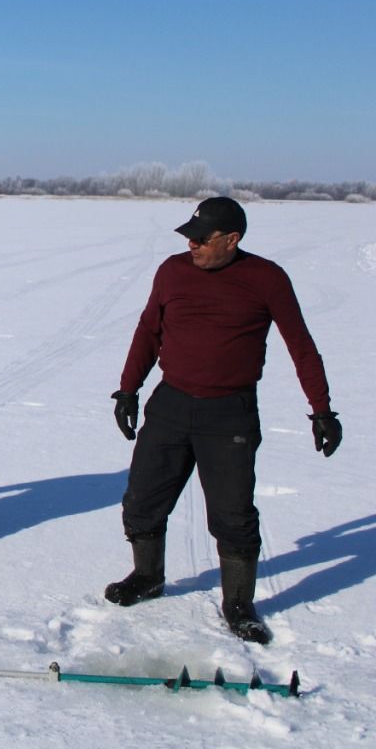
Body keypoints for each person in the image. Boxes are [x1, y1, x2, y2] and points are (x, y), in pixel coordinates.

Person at [107, 196, 342, 643]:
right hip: (170, 405)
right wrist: (128, 389)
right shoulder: (172, 272)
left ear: (232, 240)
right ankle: (148, 577)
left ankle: (238, 604)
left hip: (228, 412)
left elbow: (301, 345)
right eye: (189, 237)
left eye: (202, 238)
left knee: (233, 516)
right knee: (142, 502)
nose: (192, 245)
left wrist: (322, 410)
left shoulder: (266, 279)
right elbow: (148, 331)